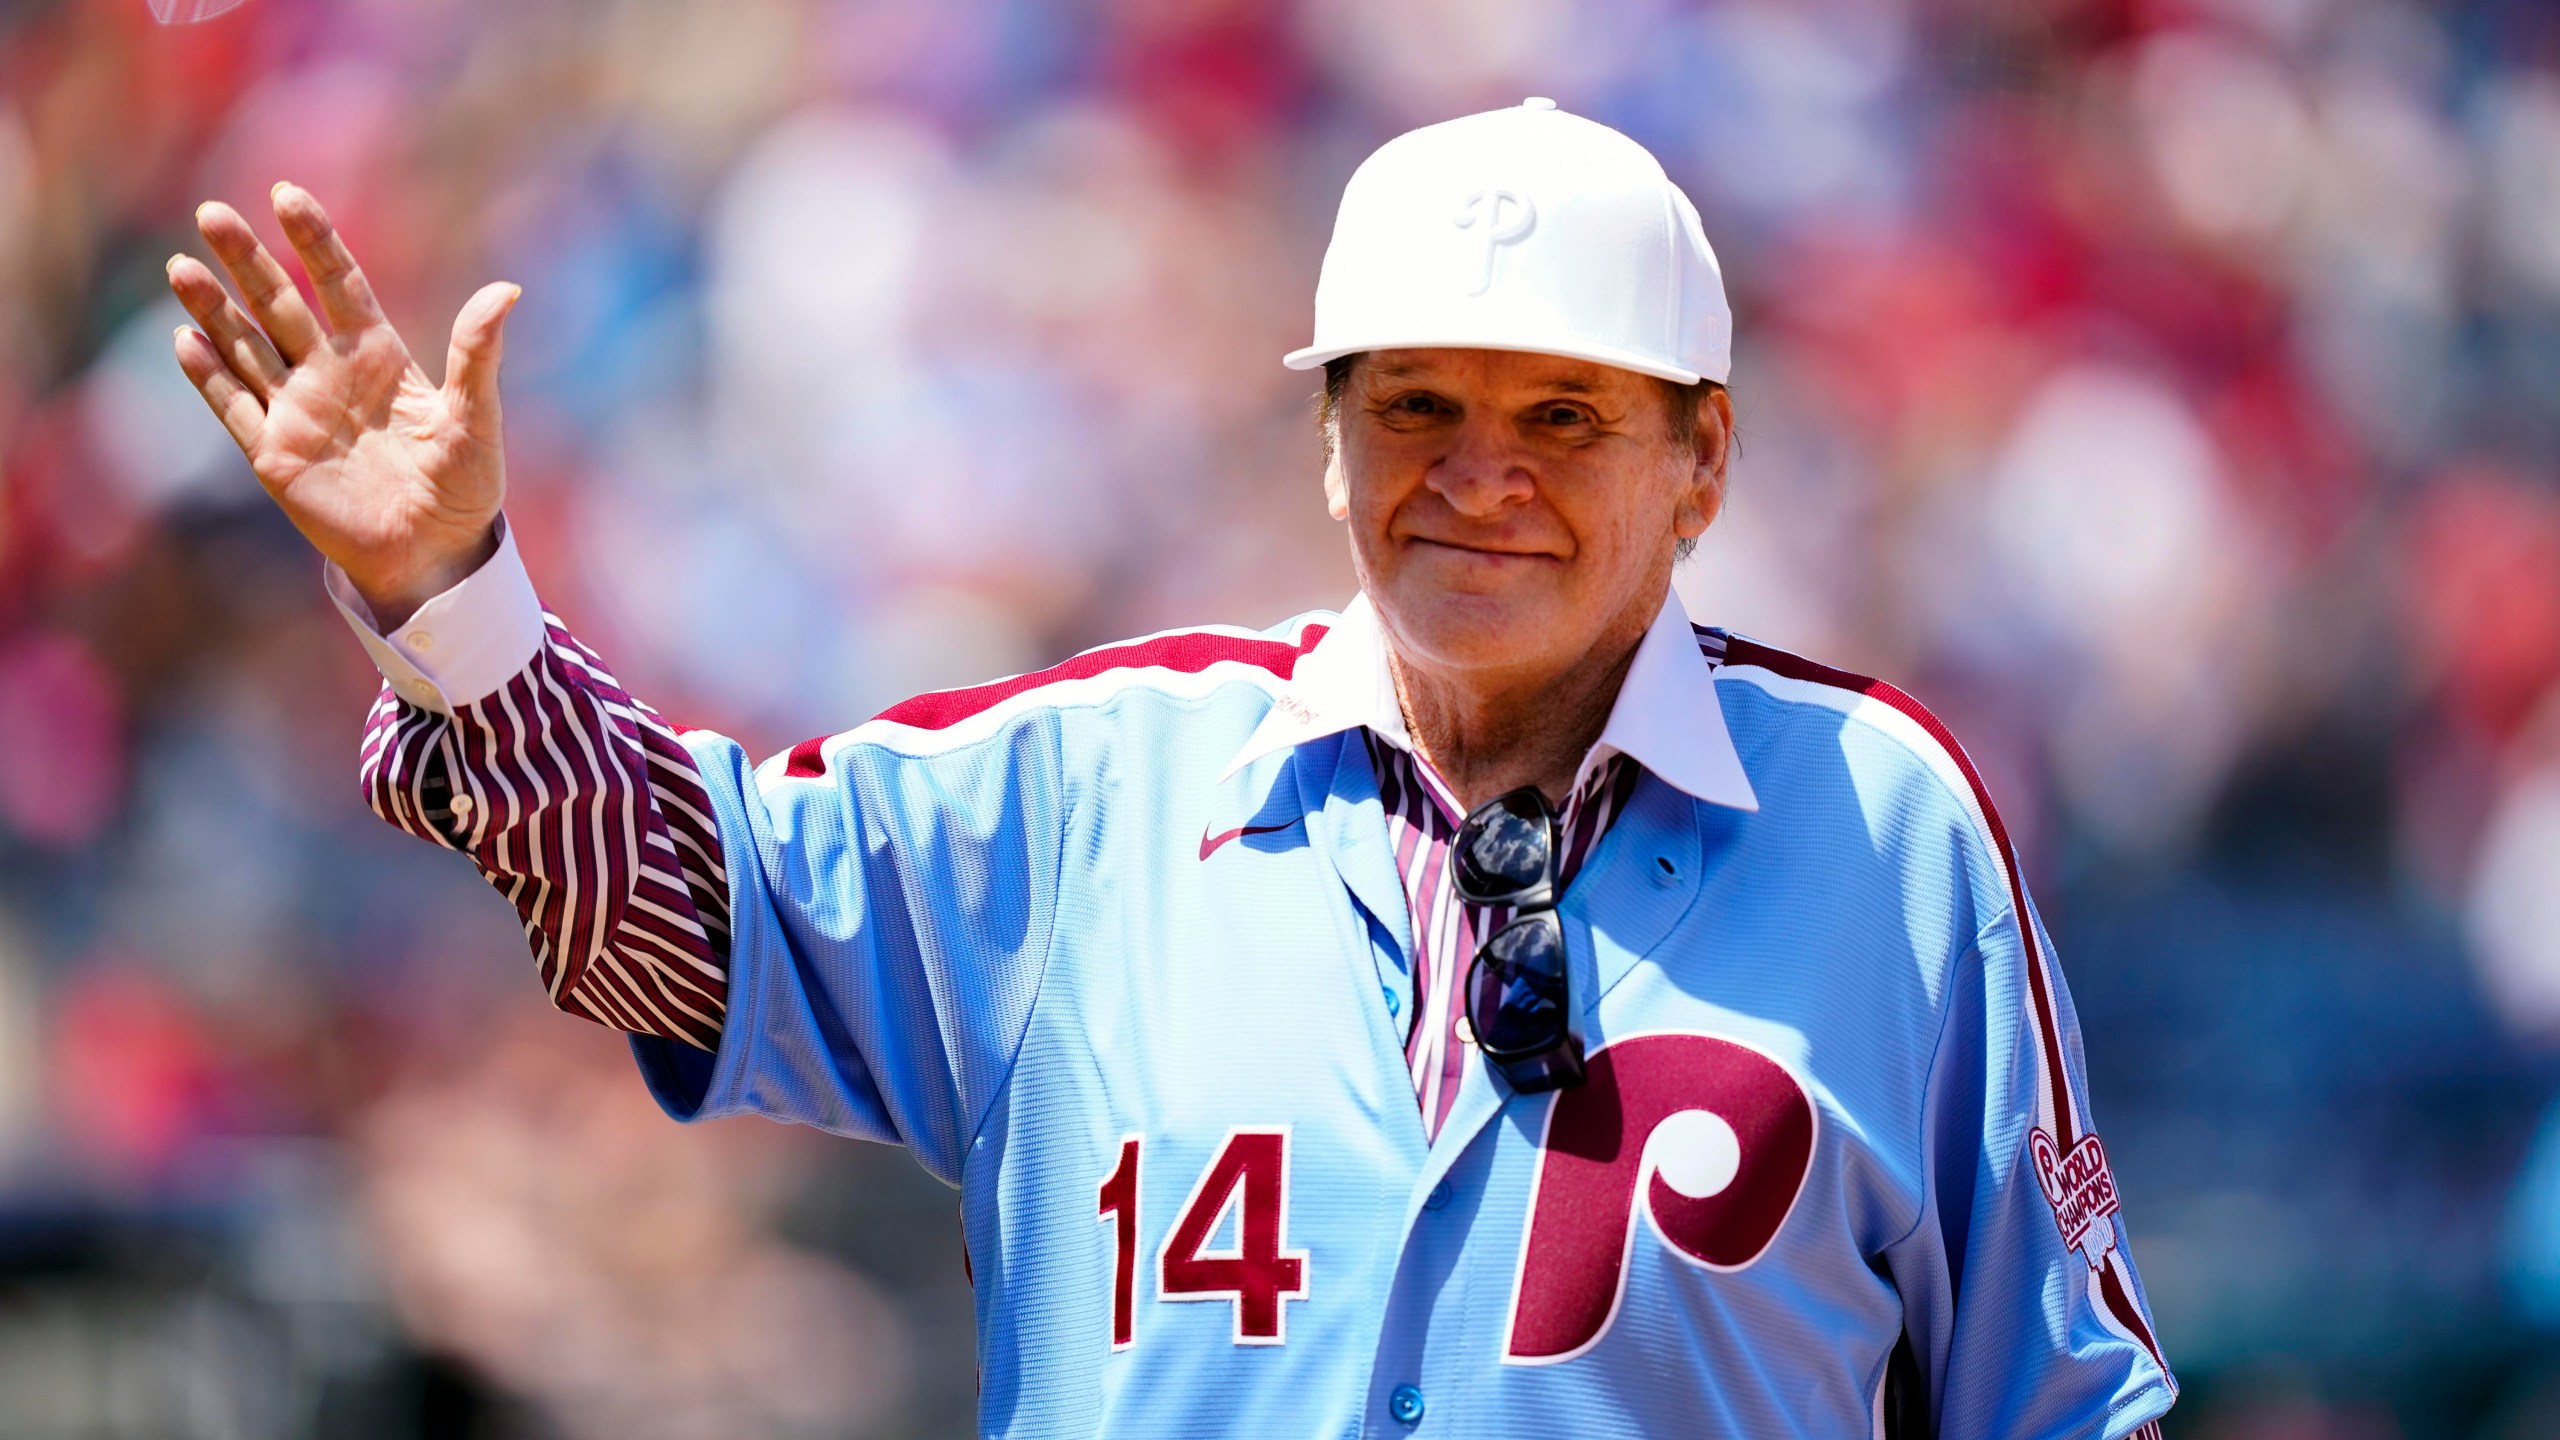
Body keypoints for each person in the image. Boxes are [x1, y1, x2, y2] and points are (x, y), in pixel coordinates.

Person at [168, 99, 2175, 1438]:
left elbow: (2064, 1397)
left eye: (1561, 414)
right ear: (1326, 438)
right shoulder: (1089, 785)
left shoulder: (1885, 821)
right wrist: (457, 603)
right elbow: (684, 909)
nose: (1476, 477)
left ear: (1701, 461)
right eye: (1415, 406)